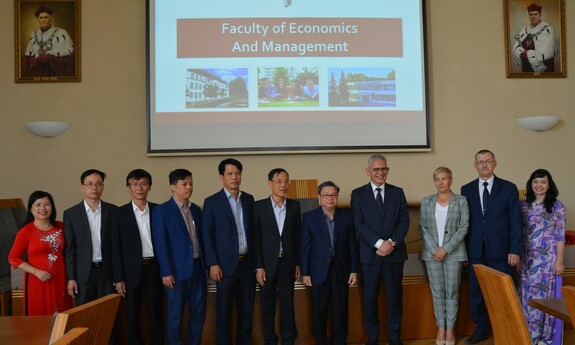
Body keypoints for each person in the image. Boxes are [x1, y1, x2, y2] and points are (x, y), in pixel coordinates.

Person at [461, 149, 522, 344]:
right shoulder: (466, 189)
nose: (484, 165)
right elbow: (465, 223)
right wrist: (464, 252)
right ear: (475, 166)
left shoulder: (508, 188)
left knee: (503, 293)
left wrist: (515, 249)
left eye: (488, 161)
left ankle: (505, 328)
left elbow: (516, 220)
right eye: (480, 162)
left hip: (503, 251)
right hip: (476, 250)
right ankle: (481, 329)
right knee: (476, 293)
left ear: (495, 163)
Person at [351, 154, 409, 345]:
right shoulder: (358, 194)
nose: (380, 172)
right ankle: (373, 339)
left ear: (388, 170)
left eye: (384, 169)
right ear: (368, 171)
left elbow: (404, 221)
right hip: (370, 256)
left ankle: (394, 338)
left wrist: (390, 242)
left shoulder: (398, 192)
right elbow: (359, 224)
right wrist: (379, 243)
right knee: (370, 300)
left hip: (394, 255)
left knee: (395, 300)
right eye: (376, 169)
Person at [202, 158, 256, 345]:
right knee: (223, 312)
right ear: (221, 177)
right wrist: (213, 263)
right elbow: (207, 236)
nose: (234, 177)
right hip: (224, 266)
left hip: (247, 264)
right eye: (230, 174)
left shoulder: (249, 200)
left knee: (246, 310)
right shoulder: (211, 202)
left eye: (238, 173)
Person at [300, 181, 358, 345]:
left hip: (341, 269)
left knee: (340, 308)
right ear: (320, 198)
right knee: (319, 309)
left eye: (333, 195)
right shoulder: (309, 217)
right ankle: (320, 340)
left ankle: (340, 340)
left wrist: (354, 270)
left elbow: (352, 244)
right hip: (317, 270)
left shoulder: (347, 216)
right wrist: (305, 272)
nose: (330, 198)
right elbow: (305, 247)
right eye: (326, 195)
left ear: (337, 197)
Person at [152, 169, 205, 345]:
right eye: (184, 184)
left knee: (198, 313)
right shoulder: (162, 211)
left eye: (191, 183)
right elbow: (161, 244)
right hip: (175, 271)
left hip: (198, 268)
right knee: (175, 316)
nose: (189, 187)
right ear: (173, 187)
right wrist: (165, 272)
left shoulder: (196, 209)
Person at [111, 169, 163, 345]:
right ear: (129, 188)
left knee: (155, 314)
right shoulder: (119, 214)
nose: (139, 188)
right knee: (131, 316)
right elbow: (115, 249)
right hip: (130, 272)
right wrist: (118, 278)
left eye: (143, 184)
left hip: (154, 269)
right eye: (135, 184)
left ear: (149, 187)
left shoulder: (159, 210)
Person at [419, 167, 469, 345]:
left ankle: (450, 329)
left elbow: (464, 227)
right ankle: (440, 328)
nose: (440, 182)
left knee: (452, 293)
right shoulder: (427, 201)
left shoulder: (461, 201)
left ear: (451, 180)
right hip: (432, 255)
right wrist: (435, 249)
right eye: (437, 179)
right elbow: (423, 227)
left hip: (454, 254)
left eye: (444, 179)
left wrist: (445, 249)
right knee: (438, 293)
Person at [253, 168, 301, 345]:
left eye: (286, 181)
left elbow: (297, 236)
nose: (283, 185)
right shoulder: (258, 207)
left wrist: (297, 263)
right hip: (266, 264)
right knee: (267, 305)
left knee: (288, 304)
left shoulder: (295, 206)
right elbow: (255, 239)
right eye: (279, 181)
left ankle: (289, 339)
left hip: (287, 263)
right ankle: (270, 340)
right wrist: (258, 266)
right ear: (269, 183)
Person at [520, 169, 565, 345]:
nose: (539, 185)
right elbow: (518, 233)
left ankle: (545, 337)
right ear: (531, 184)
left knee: (545, 299)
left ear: (549, 184)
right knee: (527, 297)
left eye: (543, 182)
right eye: (535, 182)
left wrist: (560, 262)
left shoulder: (556, 206)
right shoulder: (523, 205)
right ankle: (529, 335)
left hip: (547, 261)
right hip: (527, 260)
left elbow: (560, 235)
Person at [8, 191, 71, 315]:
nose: (42, 208)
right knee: (41, 318)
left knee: (62, 316)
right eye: (38, 205)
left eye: (47, 204)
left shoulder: (61, 226)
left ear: (52, 207)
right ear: (31, 209)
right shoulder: (26, 231)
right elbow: (13, 258)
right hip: (38, 280)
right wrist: (37, 272)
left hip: (60, 278)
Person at [64, 169, 117, 305]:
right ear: (82, 187)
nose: (94, 187)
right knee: (85, 315)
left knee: (108, 314)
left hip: (107, 273)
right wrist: (71, 278)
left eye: (99, 184)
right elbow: (70, 250)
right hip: (84, 274)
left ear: (103, 187)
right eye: (90, 184)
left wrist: (119, 276)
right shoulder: (71, 214)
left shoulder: (113, 211)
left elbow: (117, 247)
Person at [24, 6, 75, 77]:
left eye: (46, 17)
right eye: (41, 18)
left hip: (55, 71)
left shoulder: (61, 32)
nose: (43, 20)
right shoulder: (33, 34)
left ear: (50, 19)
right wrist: (34, 59)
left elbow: (70, 49)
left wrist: (50, 57)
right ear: (38, 20)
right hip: (38, 71)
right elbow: (28, 53)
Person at [511, 3, 558, 73]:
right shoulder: (525, 29)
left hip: (544, 68)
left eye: (535, 14)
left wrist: (528, 54)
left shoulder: (548, 29)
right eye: (531, 14)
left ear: (540, 15)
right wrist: (520, 52)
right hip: (526, 66)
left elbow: (549, 50)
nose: (533, 16)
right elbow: (517, 46)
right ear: (529, 16)